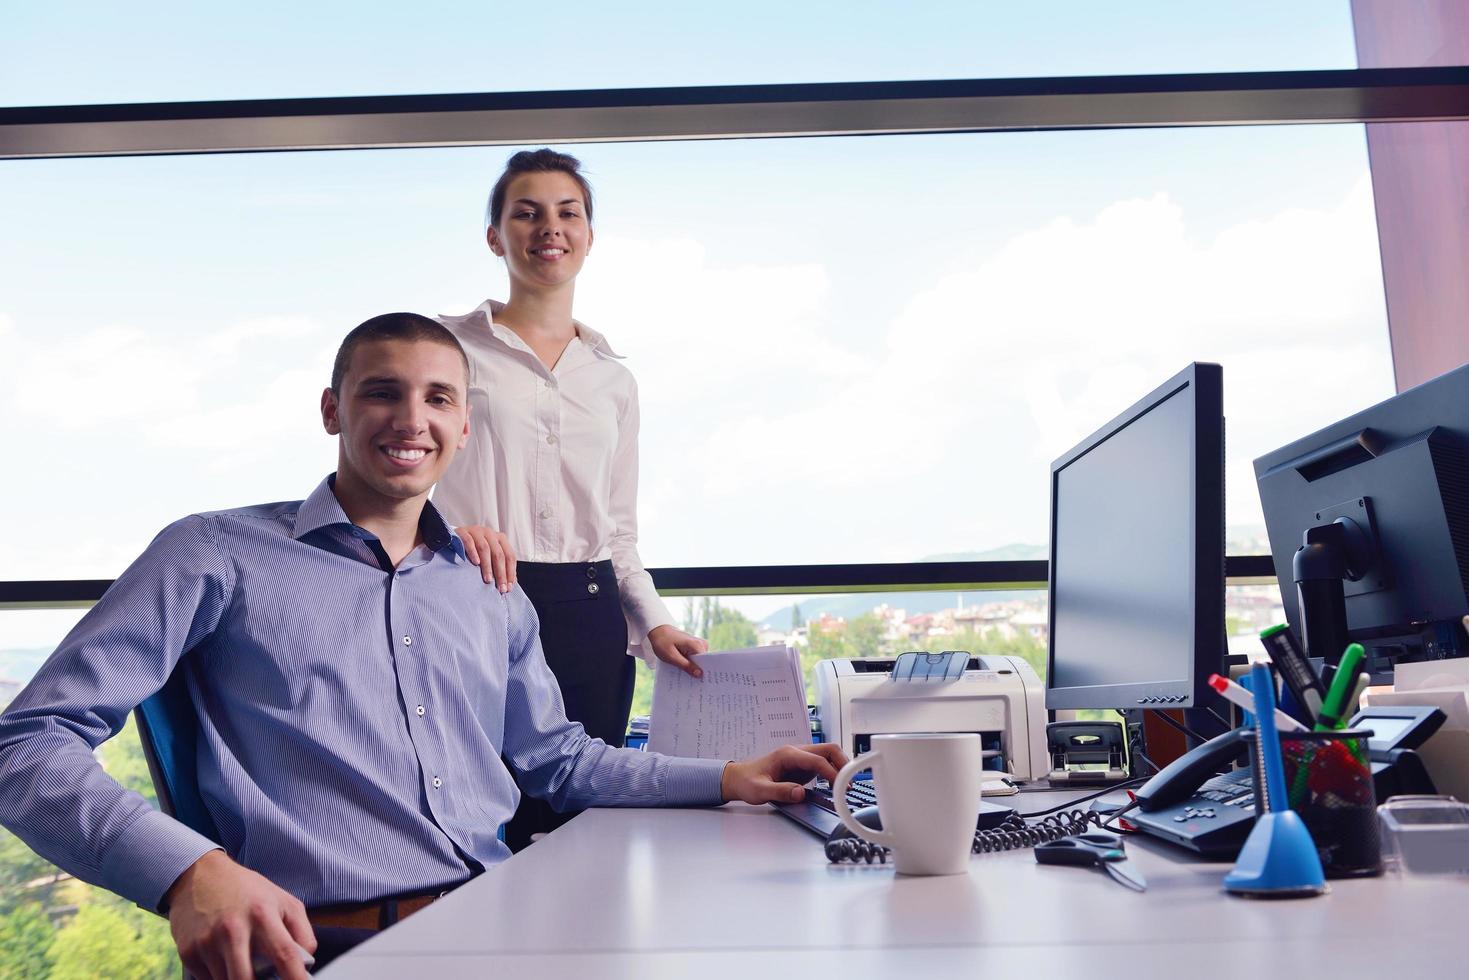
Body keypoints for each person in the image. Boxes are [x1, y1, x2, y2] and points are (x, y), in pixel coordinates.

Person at [0, 313, 846, 979]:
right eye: (382, 393)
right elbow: (27, 746)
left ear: (466, 426)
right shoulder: (214, 554)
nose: (412, 419)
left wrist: (733, 778)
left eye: (439, 398)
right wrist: (190, 871)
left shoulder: (489, 583)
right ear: (332, 409)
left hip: (503, 929)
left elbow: (557, 762)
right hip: (316, 948)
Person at [434, 149, 707, 848]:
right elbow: (404, 473)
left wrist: (653, 623)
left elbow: (617, 530)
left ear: (588, 234)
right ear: (495, 236)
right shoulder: (448, 350)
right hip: (478, 598)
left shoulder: (613, 380)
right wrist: (448, 532)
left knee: (579, 828)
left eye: (567, 212)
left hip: (589, 618)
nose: (547, 227)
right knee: (478, 817)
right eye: (525, 213)